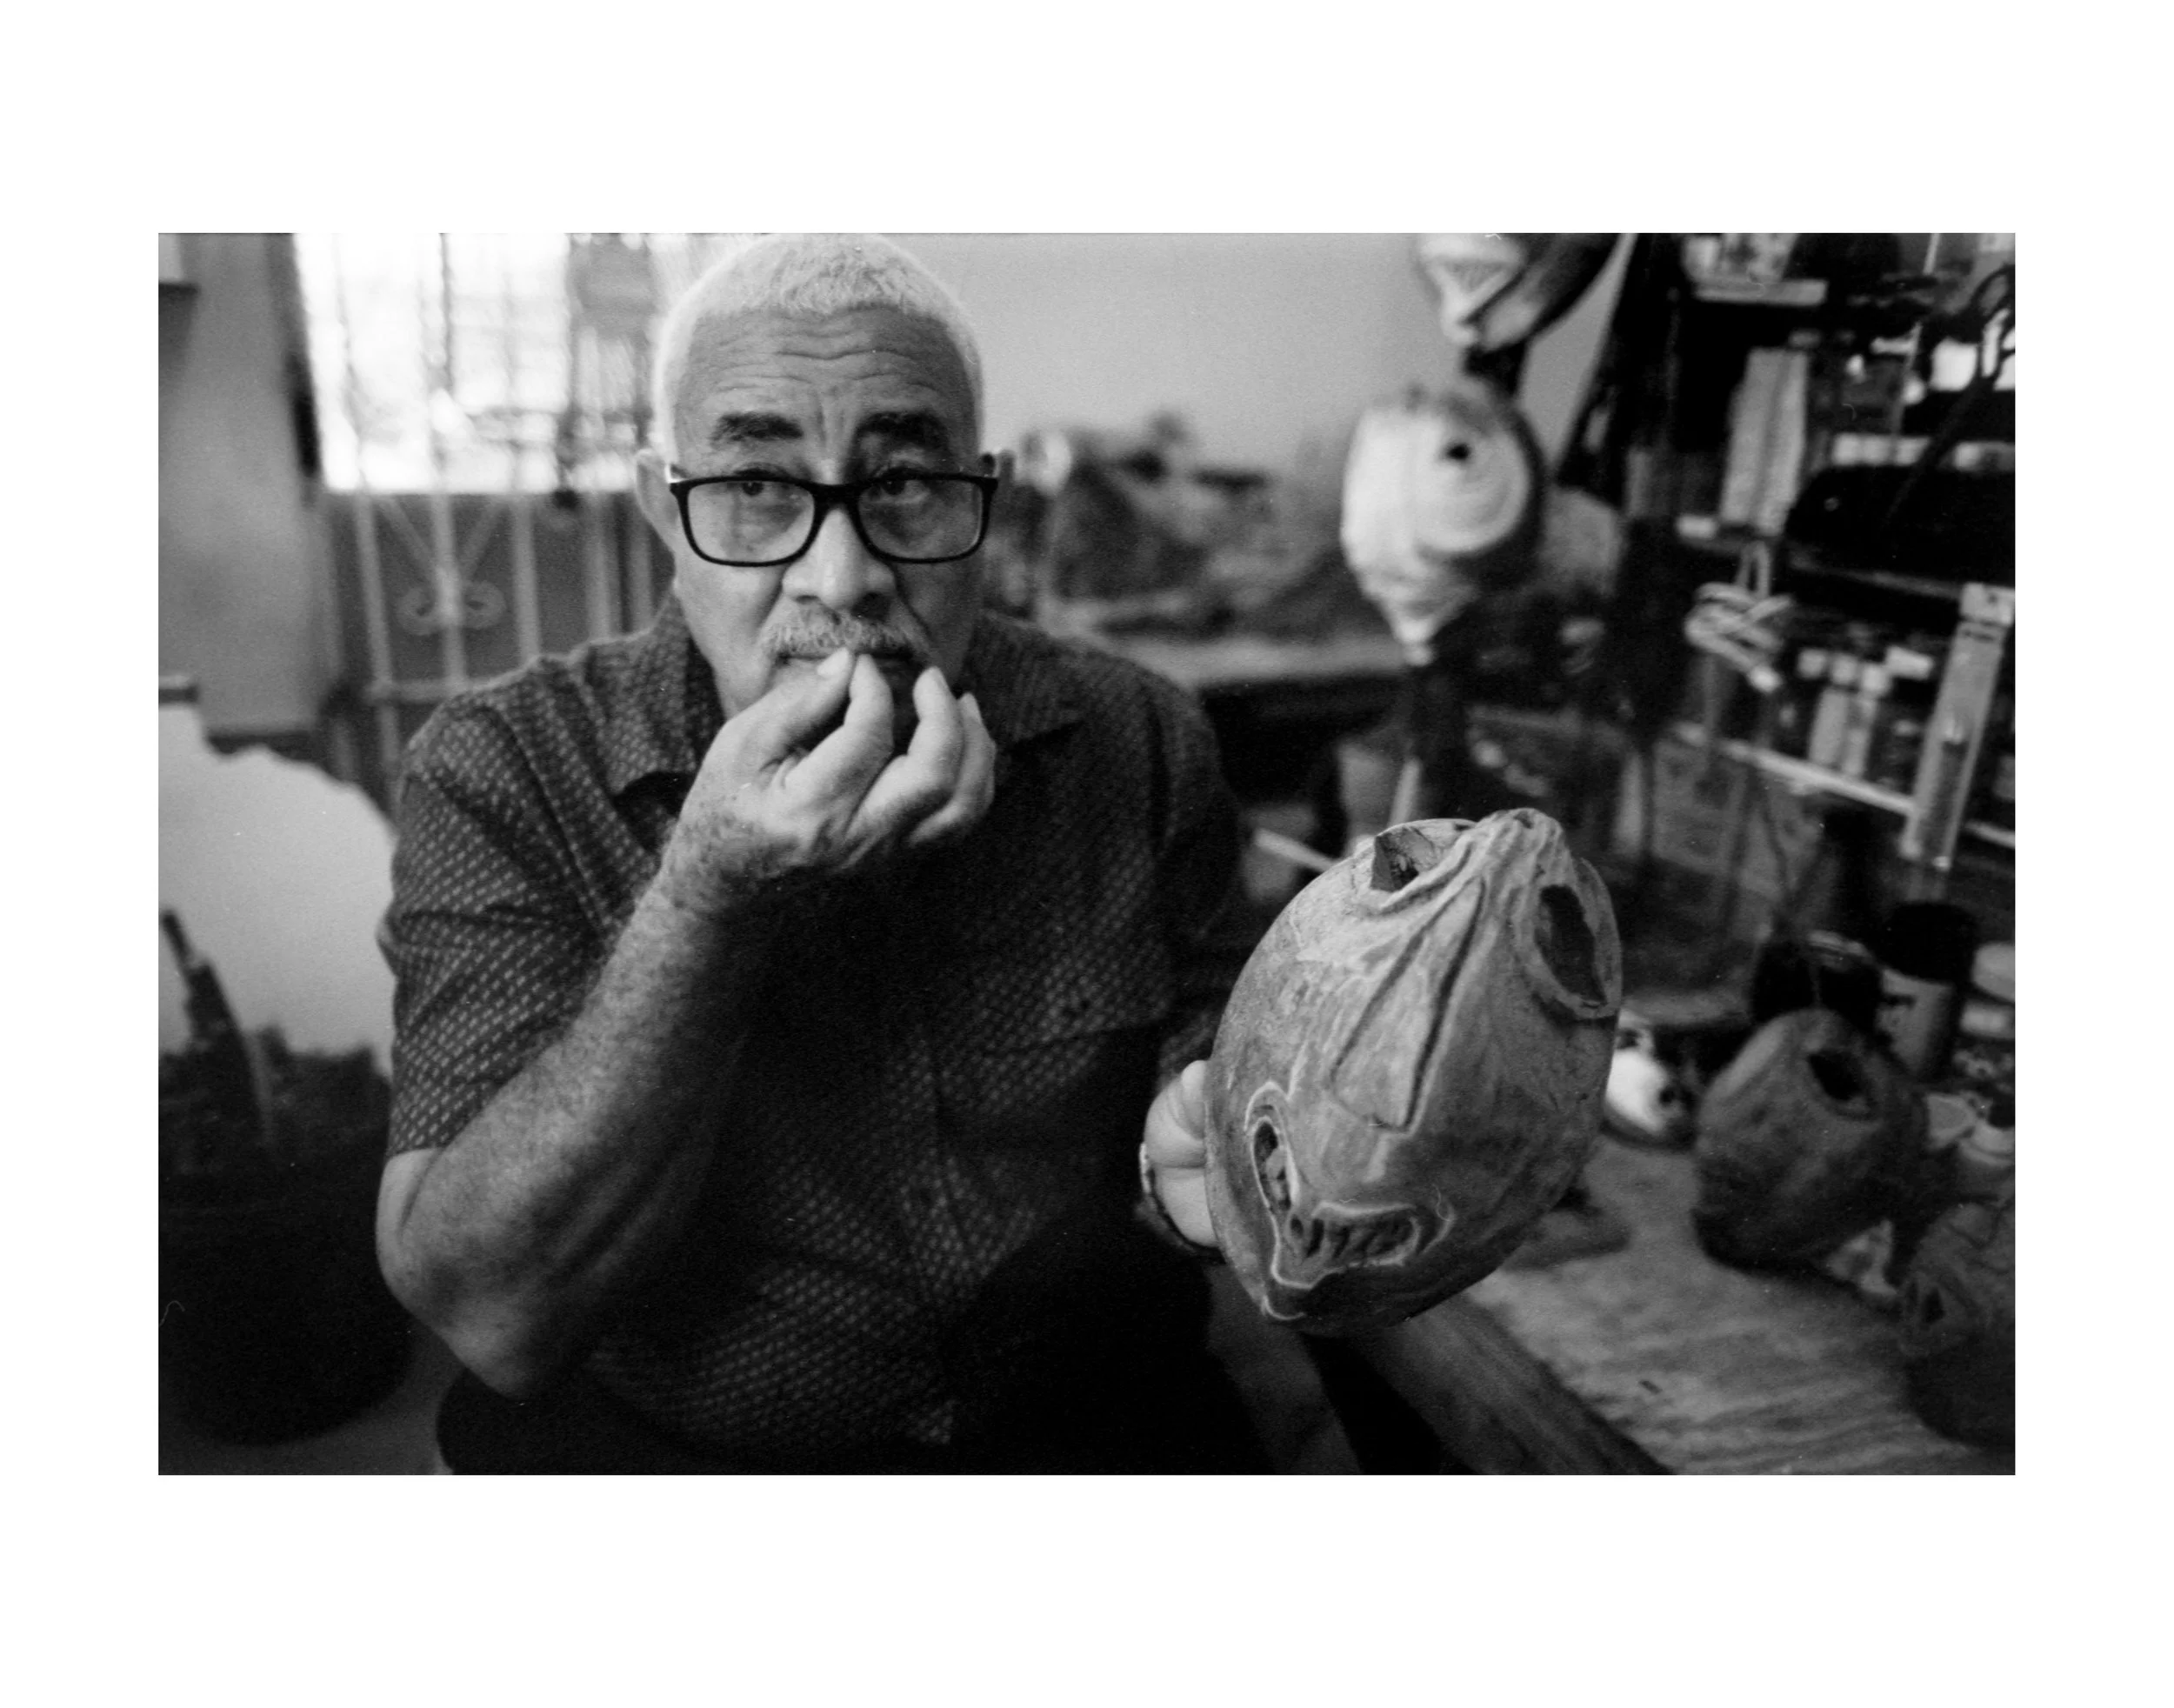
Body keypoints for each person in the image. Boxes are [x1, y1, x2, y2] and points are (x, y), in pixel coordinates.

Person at [375, 234, 1268, 1471]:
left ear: (985, 500)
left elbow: (1210, 1050)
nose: (842, 580)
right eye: (756, 485)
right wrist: (709, 893)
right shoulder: (503, 769)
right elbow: (489, 1315)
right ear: (663, 509)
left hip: (1090, 1421)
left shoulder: (1143, 736)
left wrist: (1205, 1140)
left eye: (905, 483)